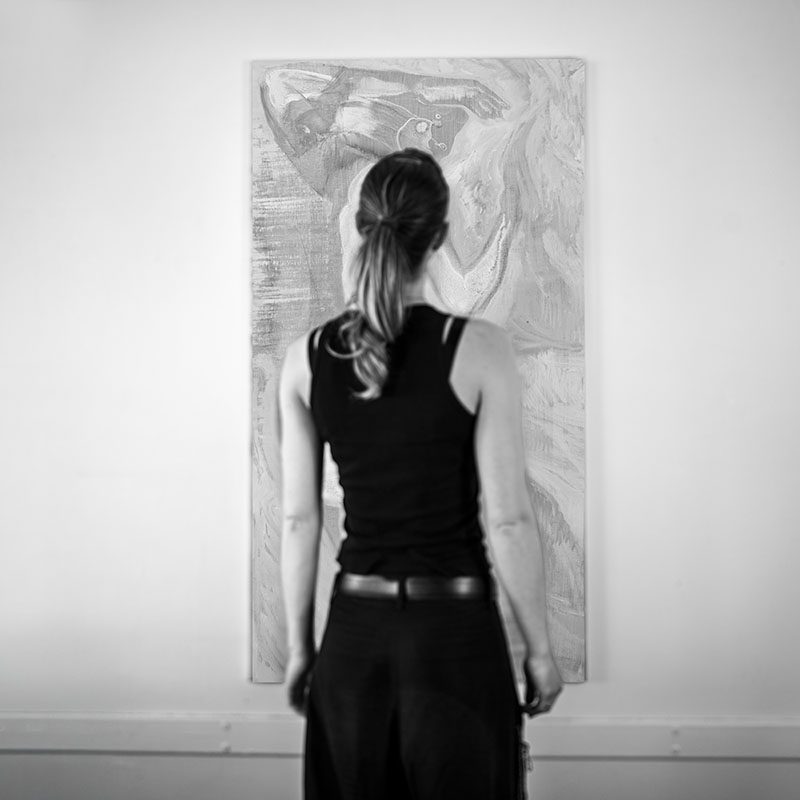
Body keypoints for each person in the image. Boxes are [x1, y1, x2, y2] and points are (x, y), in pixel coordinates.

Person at [278, 148, 563, 800]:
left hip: (354, 638)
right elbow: (509, 521)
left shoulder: (305, 359)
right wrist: (539, 652)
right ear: (439, 238)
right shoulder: (480, 349)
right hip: (455, 640)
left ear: (361, 227)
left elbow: (298, 520)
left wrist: (300, 651)